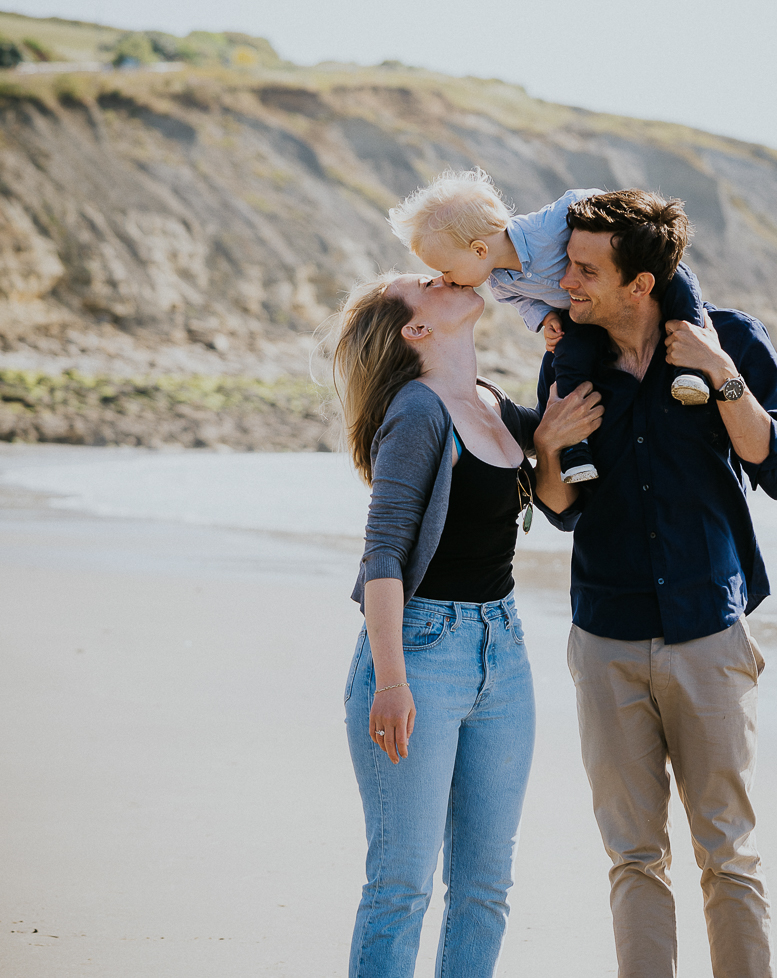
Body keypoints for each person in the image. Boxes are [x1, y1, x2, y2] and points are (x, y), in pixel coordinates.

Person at [532, 190, 777, 978]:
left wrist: (721, 377)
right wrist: (548, 446)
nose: (566, 283)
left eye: (585, 270)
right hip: (605, 639)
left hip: (707, 635)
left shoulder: (733, 340)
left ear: (640, 283)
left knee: (728, 852)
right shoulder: (568, 355)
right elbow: (559, 509)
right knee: (633, 855)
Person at [325, 270, 602, 978]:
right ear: (417, 329)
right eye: (420, 283)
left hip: (502, 654)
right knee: (402, 887)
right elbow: (382, 552)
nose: (441, 275)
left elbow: (552, 504)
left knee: (485, 888)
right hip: (419, 653)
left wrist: (545, 441)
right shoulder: (418, 411)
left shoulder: (491, 403)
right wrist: (391, 682)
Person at [388, 168, 710, 485]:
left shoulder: (550, 225)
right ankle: (575, 451)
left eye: (447, 269)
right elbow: (526, 303)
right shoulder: (500, 285)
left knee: (680, 282)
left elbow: (595, 208)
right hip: (580, 314)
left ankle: (691, 368)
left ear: (479, 250)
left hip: (619, 285)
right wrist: (547, 319)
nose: (446, 279)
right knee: (567, 357)